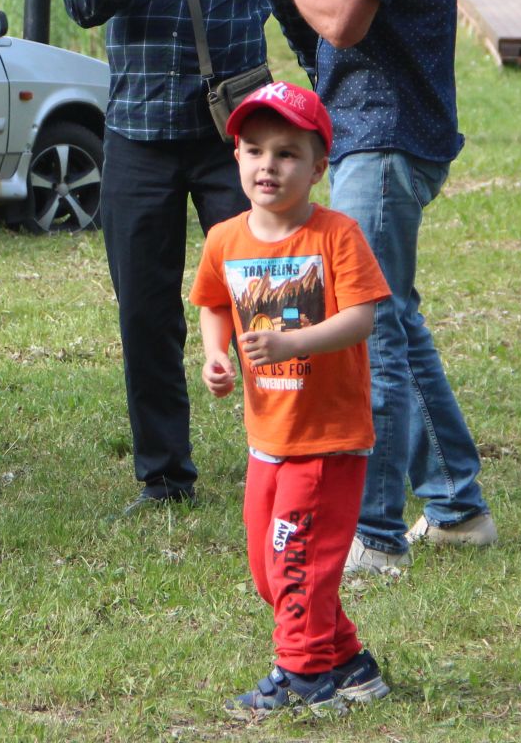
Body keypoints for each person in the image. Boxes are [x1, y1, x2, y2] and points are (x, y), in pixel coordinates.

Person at [254, 0, 494, 575]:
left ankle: (376, 534)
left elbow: (342, 21)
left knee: (364, 335)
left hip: (385, 138)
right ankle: (459, 506)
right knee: (395, 318)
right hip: (374, 132)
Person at [64, 0, 316, 517]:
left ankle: (291, 460)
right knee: (145, 309)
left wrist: (332, 81)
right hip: (138, 134)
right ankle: (165, 475)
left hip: (236, 137)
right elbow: (80, 1)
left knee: (271, 300)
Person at [191, 81, 392, 714]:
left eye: (286, 154)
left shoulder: (336, 235)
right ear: (237, 159)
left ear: (318, 166)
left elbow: (362, 318)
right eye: (254, 151)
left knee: (296, 559)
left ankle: (305, 676)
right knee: (267, 566)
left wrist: (291, 341)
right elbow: (214, 304)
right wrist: (215, 356)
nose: (267, 166)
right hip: (267, 437)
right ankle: (348, 661)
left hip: (327, 437)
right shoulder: (225, 238)